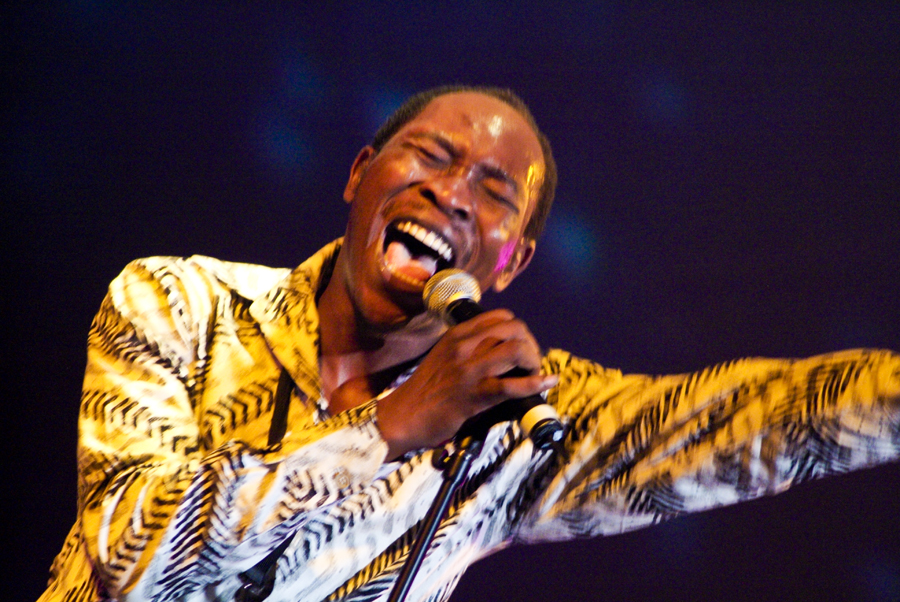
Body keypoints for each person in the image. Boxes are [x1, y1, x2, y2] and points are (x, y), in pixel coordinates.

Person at [40, 85, 899, 602]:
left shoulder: (514, 419)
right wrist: (387, 430)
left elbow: (749, 426)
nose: (452, 194)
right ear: (359, 175)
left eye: (493, 194)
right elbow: (136, 560)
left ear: (513, 262)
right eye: (431, 156)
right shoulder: (180, 303)